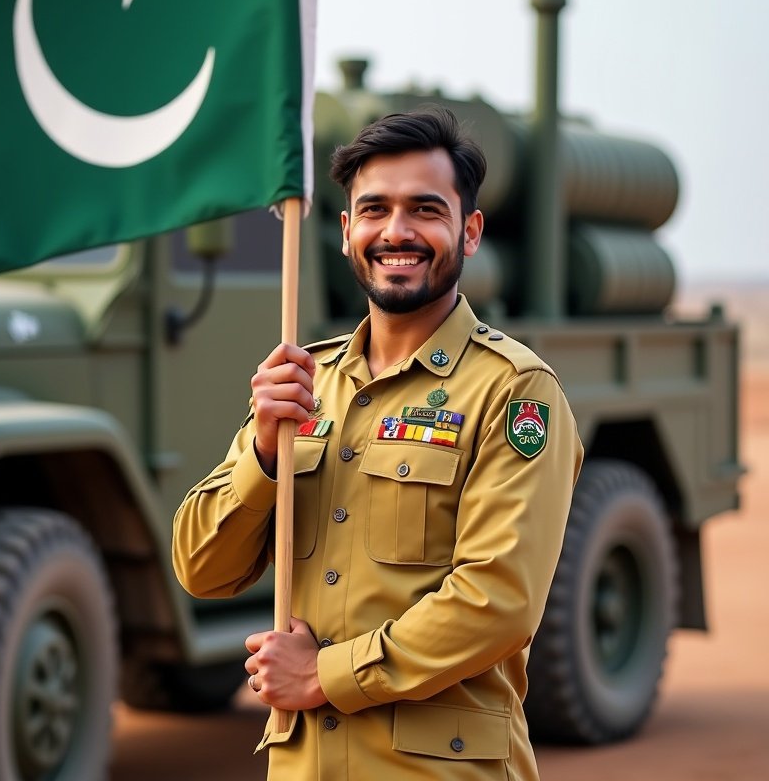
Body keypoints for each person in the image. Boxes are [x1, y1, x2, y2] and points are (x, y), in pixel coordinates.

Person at [172, 108, 584, 780]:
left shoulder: (514, 391)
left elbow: (497, 601)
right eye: (374, 210)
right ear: (345, 232)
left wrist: (323, 675)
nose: (396, 232)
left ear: (469, 230)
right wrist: (265, 457)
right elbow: (201, 568)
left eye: (425, 209)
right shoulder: (302, 383)